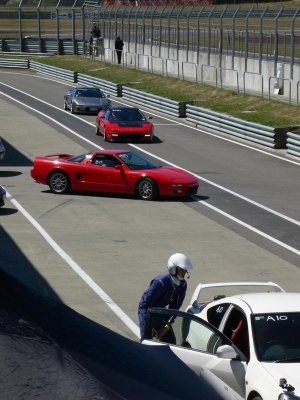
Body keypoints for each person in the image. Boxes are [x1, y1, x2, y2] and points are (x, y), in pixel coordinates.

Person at [138, 253, 193, 342]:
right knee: (146, 340)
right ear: (173, 269)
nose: (184, 273)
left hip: (161, 310)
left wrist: (166, 327)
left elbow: (175, 309)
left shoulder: (182, 285)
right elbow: (145, 304)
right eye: (181, 270)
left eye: (185, 270)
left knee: (171, 341)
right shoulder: (160, 283)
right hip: (147, 310)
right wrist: (149, 326)